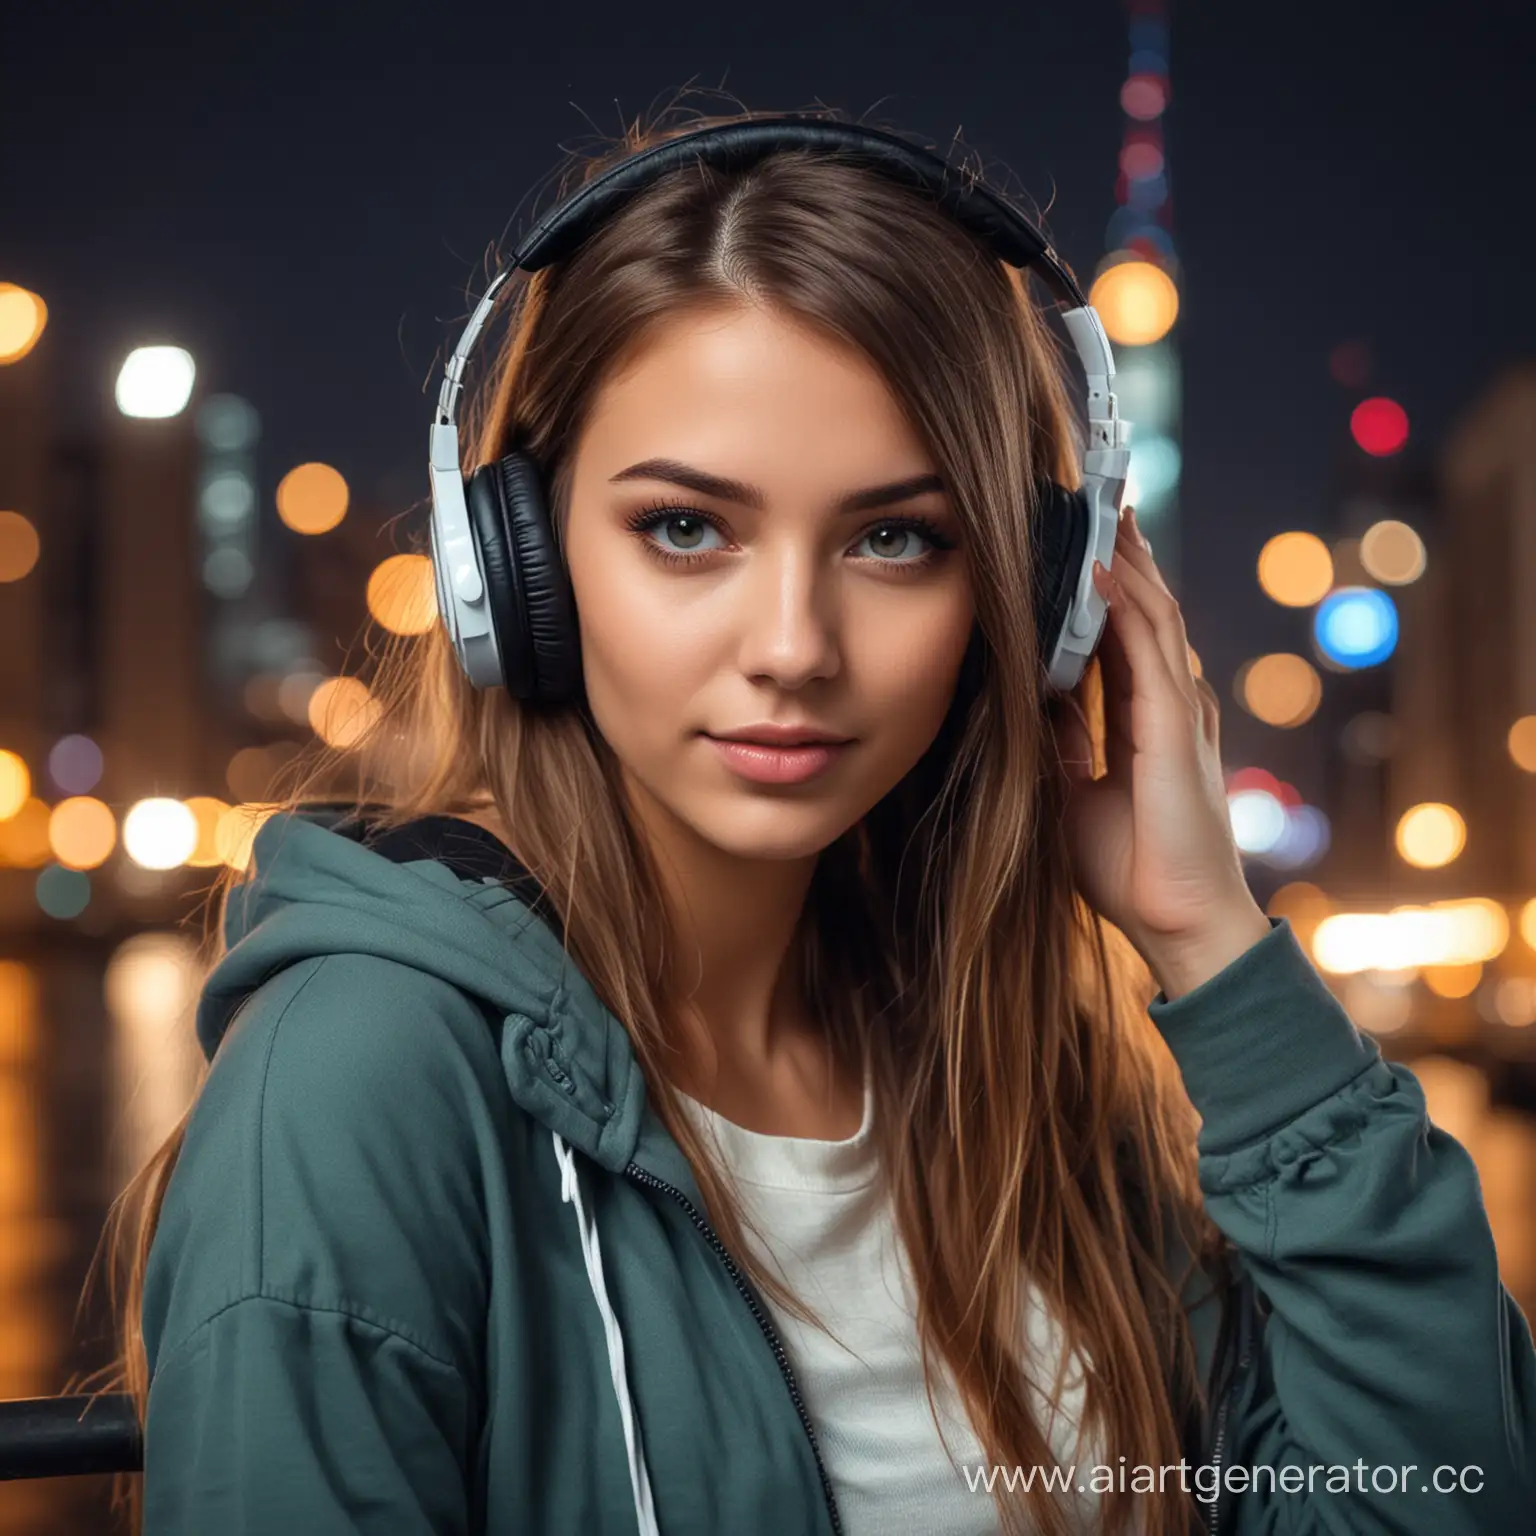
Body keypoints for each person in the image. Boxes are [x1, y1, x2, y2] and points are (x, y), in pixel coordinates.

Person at [94, 106, 1533, 1535]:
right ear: (513, 567)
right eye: (684, 528)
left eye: (894, 538)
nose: (793, 644)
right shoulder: (359, 1085)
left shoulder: (1025, 1071)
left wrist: (1210, 939)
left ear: (1036, 602)